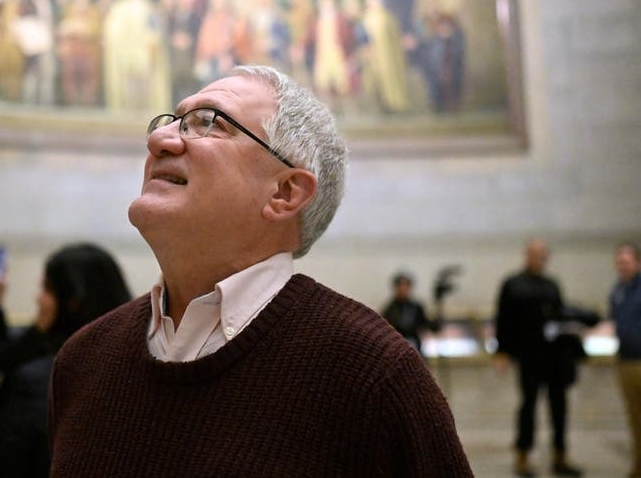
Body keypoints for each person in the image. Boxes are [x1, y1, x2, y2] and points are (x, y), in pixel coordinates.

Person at [49, 65, 472, 476]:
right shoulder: (83, 359)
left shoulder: (372, 374)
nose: (160, 139)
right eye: (171, 121)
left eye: (209, 123)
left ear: (284, 192)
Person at [0, 243, 131, 478]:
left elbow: (1, 464)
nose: (38, 298)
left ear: (73, 301)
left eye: (47, 289)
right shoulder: (130, 356)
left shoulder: (38, 380)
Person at [494, 239, 583, 477]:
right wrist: (501, 351)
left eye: (543, 254)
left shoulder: (552, 285)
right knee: (528, 405)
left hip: (555, 357)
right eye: (536, 253)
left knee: (559, 406)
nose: (540, 258)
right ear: (527, 255)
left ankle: (560, 455)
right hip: (529, 356)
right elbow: (503, 319)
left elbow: (560, 315)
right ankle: (522, 455)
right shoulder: (513, 284)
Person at [610, 241, 641, 478]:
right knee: (635, 418)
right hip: (626, 361)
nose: (623, 266)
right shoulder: (618, 290)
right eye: (619, 262)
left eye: (627, 262)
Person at [381, 271, 440, 355]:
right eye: (401, 286)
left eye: (406, 286)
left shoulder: (416, 307)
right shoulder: (390, 309)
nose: (404, 289)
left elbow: (427, 325)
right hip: (396, 347)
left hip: (414, 347)